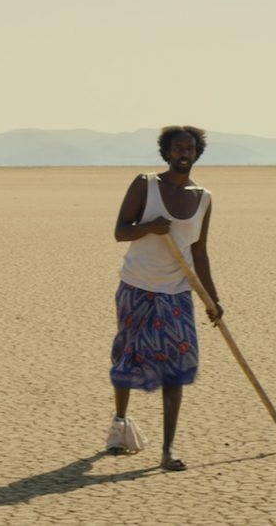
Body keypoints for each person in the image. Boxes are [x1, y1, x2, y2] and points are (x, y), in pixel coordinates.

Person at [105, 125, 222, 472]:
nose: (183, 154)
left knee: (177, 368)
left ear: (196, 153)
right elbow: (119, 232)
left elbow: (199, 252)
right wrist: (148, 227)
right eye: (177, 148)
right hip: (137, 286)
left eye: (189, 148)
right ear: (167, 152)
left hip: (177, 293)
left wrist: (212, 299)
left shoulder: (204, 197)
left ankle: (167, 450)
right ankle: (120, 426)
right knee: (127, 358)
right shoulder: (146, 184)